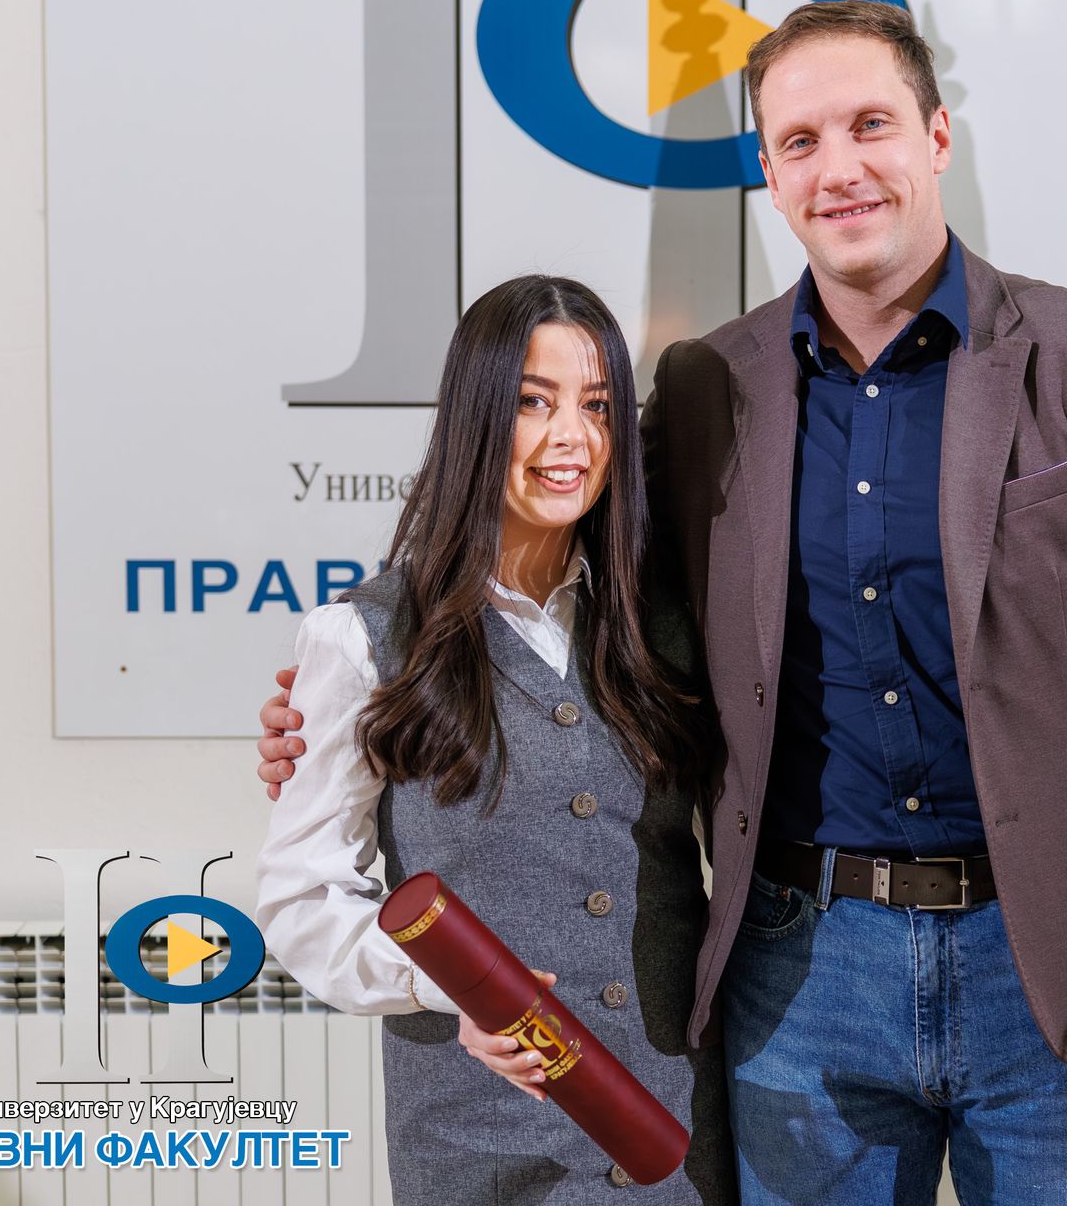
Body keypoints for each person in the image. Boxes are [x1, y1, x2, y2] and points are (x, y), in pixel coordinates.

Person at [262, 1, 1067, 1205]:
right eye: (799, 141)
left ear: (938, 136)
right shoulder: (704, 391)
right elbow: (552, 542)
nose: (839, 168)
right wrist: (353, 699)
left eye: (870, 125)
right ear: (770, 176)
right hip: (798, 978)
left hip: (1055, 969)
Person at [253, 275, 734, 1204]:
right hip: (479, 1147)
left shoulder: (668, 626)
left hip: (676, 1134)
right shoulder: (360, 638)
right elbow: (302, 897)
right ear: (476, 417)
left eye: (598, 406)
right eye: (533, 402)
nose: (572, 438)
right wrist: (447, 986)